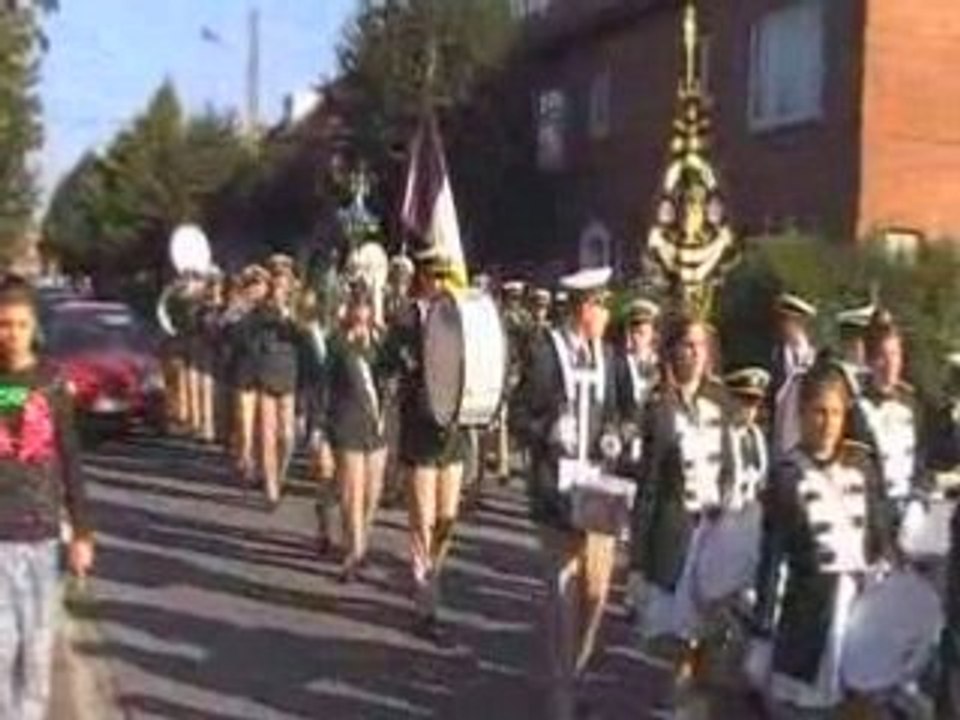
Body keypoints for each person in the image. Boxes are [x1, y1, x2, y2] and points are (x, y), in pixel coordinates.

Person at [750, 360, 894, 718]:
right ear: (801, 413)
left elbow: (879, 538)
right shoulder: (786, 476)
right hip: (808, 624)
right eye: (818, 412)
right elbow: (771, 562)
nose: (827, 423)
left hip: (861, 621)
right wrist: (762, 632)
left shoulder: (861, 465)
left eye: (835, 412)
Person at [512, 266, 621, 720]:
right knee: (564, 591)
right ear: (585, 308)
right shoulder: (545, 351)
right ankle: (563, 693)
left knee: (596, 591)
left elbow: (620, 412)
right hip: (557, 491)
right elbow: (518, 415)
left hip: (597, 489)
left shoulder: (610, 358)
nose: (607, 314)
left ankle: (575, 671)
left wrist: (617, 433)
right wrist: (547, 429)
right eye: (602, 305)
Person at [0, 276, 94, 720]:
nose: (11, 333)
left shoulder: (52, 382)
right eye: (3, 324)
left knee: (36, 652)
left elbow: (71, 459)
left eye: (19, 324)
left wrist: (82, 531)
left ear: (33, 326)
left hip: (40, 532)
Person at [634, 314, 734, 712]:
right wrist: (639, 563)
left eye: (701, 345)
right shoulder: (659, 408)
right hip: (676, 537)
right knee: (681, 646)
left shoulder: (722, 402)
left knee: (710, 645)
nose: (694, 353)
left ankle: (693, 708)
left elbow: (729, 469)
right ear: (672, 351)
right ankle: (678, 709)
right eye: (687, 345)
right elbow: (650, 488)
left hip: (715, 536)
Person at [382, 246, 468, 644]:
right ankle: (426, 600)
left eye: (444, 277)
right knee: (424, 519)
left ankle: (431, 573)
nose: (440, 284)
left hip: (451, 432)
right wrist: (404, 366)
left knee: (448, 519)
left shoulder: (457, 318)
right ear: (422, 277)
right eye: (434, 277)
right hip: (419, 427)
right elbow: (386, 363)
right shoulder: (406, 318)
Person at [322, 283, 387, 583]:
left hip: (376, 425)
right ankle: (355, 551)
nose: (362, 312)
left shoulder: (381, 342)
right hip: (346, 422)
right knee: (352, 490)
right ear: (349, 310)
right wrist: (319, 431)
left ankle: (358, 536)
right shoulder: (337, 343)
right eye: (357, 307)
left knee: (372, 494)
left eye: (367, 306)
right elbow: (324, 388)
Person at [851, 311, 924, 522]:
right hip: (870, 515)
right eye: (882, 356)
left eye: (895, 355)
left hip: (907, 510)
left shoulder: (912, 404)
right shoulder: (855, 409)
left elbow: (923, 459)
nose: (889, 364)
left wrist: (919, 499)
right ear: (870, 361)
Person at [616, 298, 661, 619]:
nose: (636, 337)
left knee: (645, 525)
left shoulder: (662, 369)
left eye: (642, 330)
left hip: (651, 455)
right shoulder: (619, 365)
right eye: (633, 330)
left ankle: (636, 592)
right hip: (623, 455)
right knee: (623, 525)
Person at [250, 268, 301, 506]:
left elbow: (304, 337)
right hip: (265, 374)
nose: (280, 292)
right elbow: (251, 334)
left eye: (284, 287)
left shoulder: (296, 313)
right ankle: (270, 487)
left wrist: (290, 316)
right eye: (276, 287)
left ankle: (278, 475)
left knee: (287, 437)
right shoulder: (261, 312)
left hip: (289, 375)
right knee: (268, 435)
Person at [771, 293, 818, 457]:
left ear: (800, 323)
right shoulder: (775, 357)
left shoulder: (814, 360)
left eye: (789, 321)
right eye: (782, 320)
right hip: (778, 436)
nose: (784, 326)